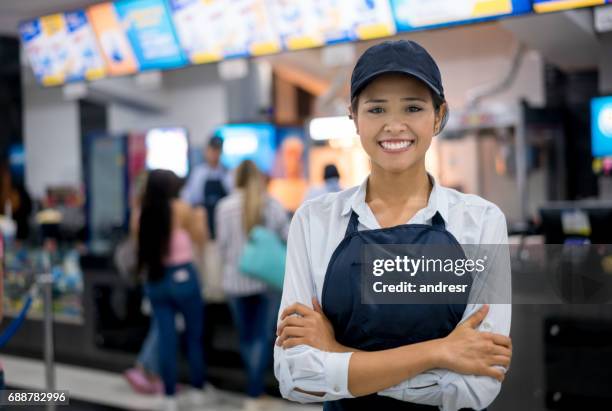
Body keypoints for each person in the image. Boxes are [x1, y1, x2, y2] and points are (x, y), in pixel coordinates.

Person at [274, 40, 512, 411]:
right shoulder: (314, 221)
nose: (394, 125)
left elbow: (476, 385)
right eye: (376, 108)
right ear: (354, 117)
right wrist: (440, 352)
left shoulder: (480, 222)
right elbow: (297, 378)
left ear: (438, 116)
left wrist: (335, 354)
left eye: (413, 107)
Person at [216, 160, 290, 411]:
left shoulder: (224, 207)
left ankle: (253, 389)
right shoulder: (271, 204)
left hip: (234, 283)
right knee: (262, 337)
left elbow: (222, 247)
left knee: (246, 337)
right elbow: (288, 237)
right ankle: (254, 392)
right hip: (265, 284)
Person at [137, 169, 212, 411]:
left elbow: (138, 247)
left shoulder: (142, 213)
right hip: (183, 278)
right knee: (193, 336)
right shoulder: (182, 208)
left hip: (155, 280)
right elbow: (201, 238)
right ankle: (198, 388)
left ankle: (169, 395)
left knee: (166, 339)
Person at [181, 135, 232, 240]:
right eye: (212, 150)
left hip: (222, 225)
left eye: (217, 150)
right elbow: (188, 198)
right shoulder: (198, 173)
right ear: (206, 150)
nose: (214, 154)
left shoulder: (227, 174)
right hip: (203, 226)